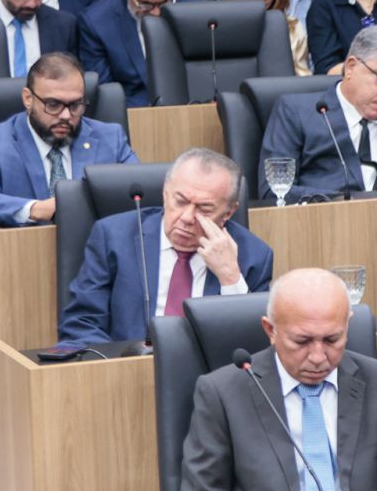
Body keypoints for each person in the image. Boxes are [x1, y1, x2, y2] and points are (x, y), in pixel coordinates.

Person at [178, 267, 377, 491]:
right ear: (271, 330)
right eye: (302, 341)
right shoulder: (223, 394)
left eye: (331, 340)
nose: (318, 357)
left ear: (347, 326)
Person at [58, 148, 274, 346]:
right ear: (165, 193)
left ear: (228, 212)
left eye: (204, 209)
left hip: (211, 373)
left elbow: (260, 346)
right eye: (180, 201)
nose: (187, 217)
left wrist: (230, 278)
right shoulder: (114, 236)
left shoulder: (253, 256)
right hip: (127, 368)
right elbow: (81, 323)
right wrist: (120, 367)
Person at [0, 51, 137, 227]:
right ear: (28, 99)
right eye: (53, 105)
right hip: (23, 244)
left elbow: (140, 194)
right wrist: (36, 209)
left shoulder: (111, 138)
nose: (66, 115)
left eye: (75, 105)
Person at [259, 25, 377, 199]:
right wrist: (343, 202)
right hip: (320, 215)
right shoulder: (297, 113)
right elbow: (274, 192)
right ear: (351, 67)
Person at [77, 0, 173, 106]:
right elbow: (106, 94)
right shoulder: (96, 22)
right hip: (130, 113)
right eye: (145, 3)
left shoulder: (189, 10)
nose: (156, 13)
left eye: (164, 3)